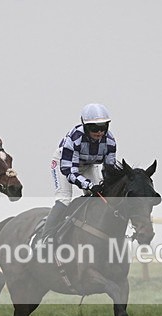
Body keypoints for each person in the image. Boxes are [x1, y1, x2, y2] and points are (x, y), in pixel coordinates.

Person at [41, 103, 118, 240]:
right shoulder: (75, 137)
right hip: (64, 164)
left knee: (99, 198)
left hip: (88, 165)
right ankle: (45, 238)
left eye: (103, 127)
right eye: (94, 128)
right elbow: (69, 172)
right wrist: (88, 185)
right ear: (85, 126)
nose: (99, 132)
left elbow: (109, 170)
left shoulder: (110, 141)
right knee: (64, 199)